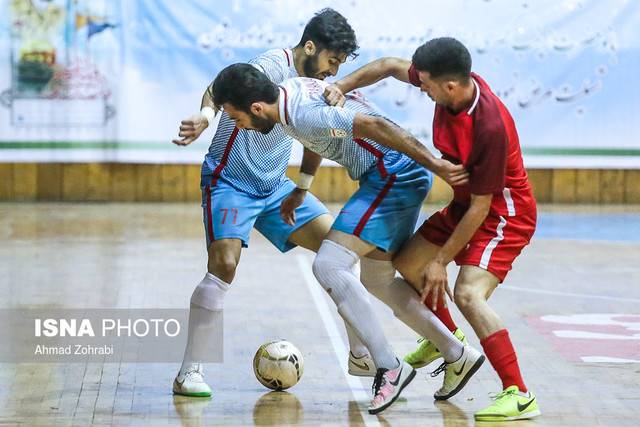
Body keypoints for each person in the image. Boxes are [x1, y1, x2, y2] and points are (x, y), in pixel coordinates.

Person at [211, 63, 484, 414]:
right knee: (378, 279)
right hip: (394, 175)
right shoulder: (291, 93)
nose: (240, 127)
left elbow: (376, 125)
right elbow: (316, 139)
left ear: (256, 108)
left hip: (392, 174)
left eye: (237, 119)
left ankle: (388, 366)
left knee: (329, 265)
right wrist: (302, 188)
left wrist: (435, 164)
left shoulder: (302, 113)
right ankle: (456, 354)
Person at [325, 37, 540, 421]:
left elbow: (482, 206)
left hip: (503, 215)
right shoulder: (449, 86)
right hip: (465, 205)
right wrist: (341, 87)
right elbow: (390, 65)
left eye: (425, 84)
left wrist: (441, 261)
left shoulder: (488, 126)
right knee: (408, 264)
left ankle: (519, 393)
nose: (419, 88)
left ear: (450, 86)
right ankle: (448, 341)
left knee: (468, 293)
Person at [170, 8, 376, 398]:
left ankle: (362, 355)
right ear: (310, 47)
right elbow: (218, 87)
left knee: (343, 250)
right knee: (224, 264)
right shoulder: (270, 66)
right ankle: (188, 372)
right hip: (230, 180)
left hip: (276, 187)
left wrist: (302, 185)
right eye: (331, 61)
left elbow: (316, 136)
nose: (333, 71)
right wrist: (204, 115)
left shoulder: (316, 88)